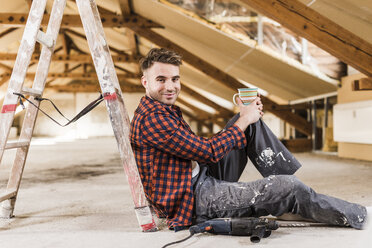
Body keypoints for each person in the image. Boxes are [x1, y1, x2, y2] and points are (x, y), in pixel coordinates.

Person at [129, 48, 367, 232]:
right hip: (191, 199)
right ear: (145, 82)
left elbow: (197, 151)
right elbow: (209, 151)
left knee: (249, 127)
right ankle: (357, 215)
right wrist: (244, 119)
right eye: (161, 79)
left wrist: (246, 118)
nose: (170, 86)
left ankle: (285, 196)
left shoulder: (159, 109)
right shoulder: (153, 119)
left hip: (196, 176)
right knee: (289, 187)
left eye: (175, 79)